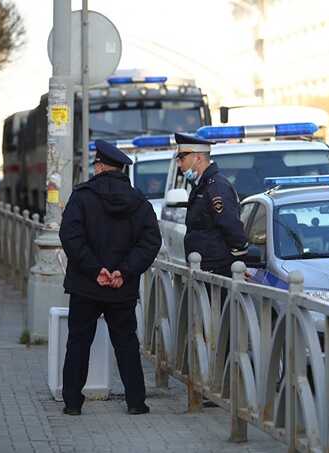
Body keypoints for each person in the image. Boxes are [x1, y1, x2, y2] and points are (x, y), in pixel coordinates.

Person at [59, 140, 161, 416]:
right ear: (121, 169)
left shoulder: (81, 197)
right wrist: (124, 271)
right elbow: (150, 241)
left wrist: (95, 270)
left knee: (79, 341)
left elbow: (70, 236)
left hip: (86, 284)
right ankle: (136, 402)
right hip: (121, 287)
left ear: (100, 166)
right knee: (126, 342)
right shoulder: (138, 201)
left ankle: (71, 403)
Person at [174, 132, 248, 277]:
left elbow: (230, 226)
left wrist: (236, 262)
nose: (179, 164)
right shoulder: (201, 185)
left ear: (198, 158)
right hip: (204, 267)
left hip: (216, 269)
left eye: (182, 158)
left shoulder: (216, 187)